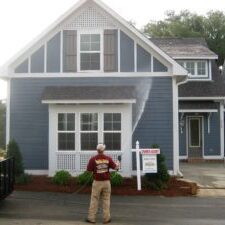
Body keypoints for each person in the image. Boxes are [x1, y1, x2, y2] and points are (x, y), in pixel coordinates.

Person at [86, 143, 120, 224]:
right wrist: (118, 162)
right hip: (106, 183)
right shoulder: (108, 158)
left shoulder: (93, 159)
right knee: (106, 200)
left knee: (94, 200)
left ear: (97, 150)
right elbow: (116, 167)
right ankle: (106, 219)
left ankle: (91, 218)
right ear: (103, 150)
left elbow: (88, 170)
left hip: (97, 182)